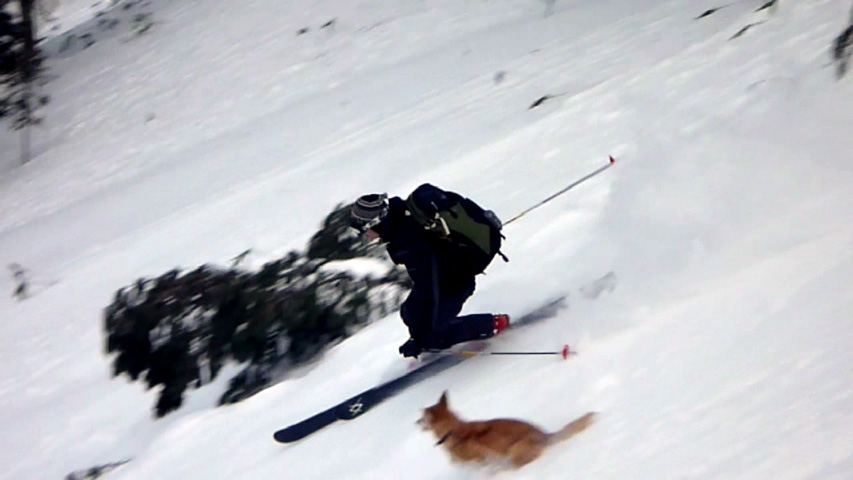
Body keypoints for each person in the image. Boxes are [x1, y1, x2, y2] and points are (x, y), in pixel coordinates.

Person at [349, 189, 510, 358]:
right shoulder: (403, 217)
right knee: (410, 313)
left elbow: (428, 284)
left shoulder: (407, 239)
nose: (365, 236)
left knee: (432, 334)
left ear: (374, 223)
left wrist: (421, 337)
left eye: (363, 231)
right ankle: (432, 339)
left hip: (456, 280)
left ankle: (492, 325)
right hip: (446, 274)